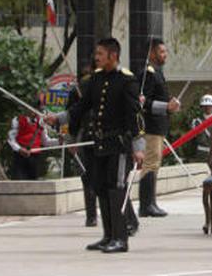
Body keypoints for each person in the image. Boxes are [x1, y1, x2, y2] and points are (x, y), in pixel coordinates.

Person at [49, 38, 144, 253]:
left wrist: (138, 146)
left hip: (119, 145)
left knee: (116, 188)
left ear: (113, 55)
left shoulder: (126, 80)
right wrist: (59, 118)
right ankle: (108, 236)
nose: (96, 57)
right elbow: (81, 107)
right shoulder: (96, 79)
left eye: (100, 53)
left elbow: (135, 115)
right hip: (100, 143)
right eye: (97, 53)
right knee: (100, 186)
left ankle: (120, 239)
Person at [138, 38, 180, 217]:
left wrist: (171, 104)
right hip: (151, 126)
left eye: (165, 51)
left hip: (159, 126)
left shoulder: (157, 73)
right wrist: (166, 106)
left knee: (155, 164)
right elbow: (144, 102)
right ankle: (145, 204)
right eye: (161, 52)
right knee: (150, 163)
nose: (165, 55)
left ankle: (151, 202)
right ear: (151, 53)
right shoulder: (147, 74)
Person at [67, 67, 97, 227]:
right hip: (87, 135)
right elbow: (73, 116)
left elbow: (72, 119)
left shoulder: (79, 88)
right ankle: (92, 216)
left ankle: (91, 216)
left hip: (87, 135)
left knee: (88, 177)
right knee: (89, 176)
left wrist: (72, 139)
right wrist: (72, 140)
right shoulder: (78, 90)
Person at [7, 102, 55, 180]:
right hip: (20, 156)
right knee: (18, 181)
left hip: (35, 157)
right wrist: (19, 149)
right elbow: (10, 138)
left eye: (36, 110)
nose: (34, 112)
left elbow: (46, 141)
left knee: (33, 182)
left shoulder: (41, 122)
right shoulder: (18, 120)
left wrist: (59, 141)